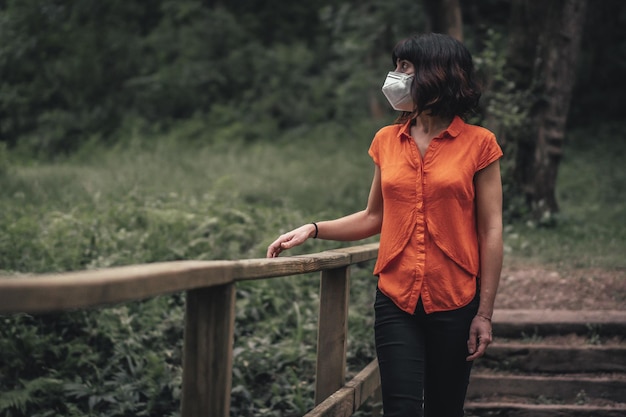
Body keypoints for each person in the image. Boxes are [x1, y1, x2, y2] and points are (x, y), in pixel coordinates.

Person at [266, 33, 503, 417]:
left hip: (456, 298)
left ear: (436, 72)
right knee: (400, 410)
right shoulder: (387, 140)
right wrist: (313, 228)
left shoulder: (480, 144)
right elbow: (374, 216)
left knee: (445, 409)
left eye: (404, 67)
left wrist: (484, 313)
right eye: (396, 66)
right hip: (396, 298)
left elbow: (490, 230)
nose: (395, 76)